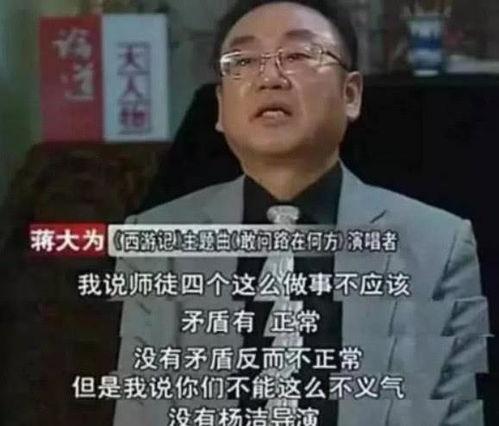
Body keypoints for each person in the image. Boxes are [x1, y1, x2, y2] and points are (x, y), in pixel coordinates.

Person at [112, 1, 490, 425]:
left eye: (298, 55)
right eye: (243, 61)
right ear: (219, 106)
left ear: (350, 95)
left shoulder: (438, 245)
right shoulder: (157, 243)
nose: (270, 77)